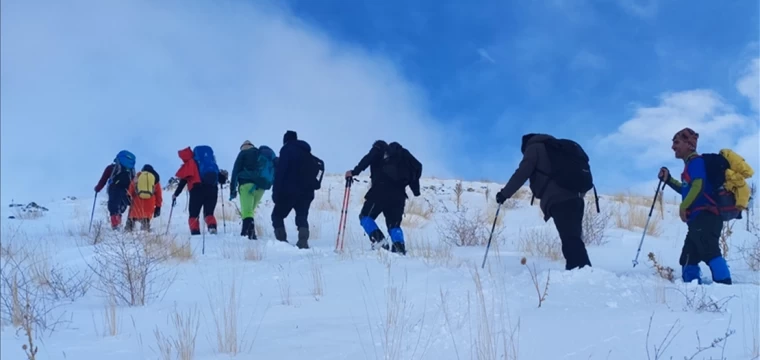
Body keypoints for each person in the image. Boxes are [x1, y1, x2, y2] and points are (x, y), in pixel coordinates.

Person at [495, 134, 593, 270]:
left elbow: (522, 173)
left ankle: (580, 271)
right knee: (573, 237)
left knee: (570, 238)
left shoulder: (534, 148)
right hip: (577, 198)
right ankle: (582, 270)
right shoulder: (556, 148)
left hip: (559, 199)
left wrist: (504, 194)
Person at [658, 127, 731, 285]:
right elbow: (687, 189)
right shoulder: (690, 165)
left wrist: (683, 206)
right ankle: (692, 288)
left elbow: (698, 185)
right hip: (699, 219)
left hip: (706, 216)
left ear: (689, 145)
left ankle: (726, 286)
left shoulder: (696, 162)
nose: (673, 147)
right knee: (688, 256)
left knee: (710, 251)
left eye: (676, 142)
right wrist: (669, 180)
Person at [345, 141, 422, 255]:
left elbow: (368, 158)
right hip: (399, 196)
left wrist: (354, 171)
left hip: (380, 192)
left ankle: (379, 241)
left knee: (365, 216)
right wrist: (416, 191)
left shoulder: (379, 148)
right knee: (394, 224)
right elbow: (415, 173)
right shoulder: (403, 158)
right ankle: (399, 248)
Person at [271, 130, 316, 249]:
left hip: (289, 191)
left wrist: (275, 193)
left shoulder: (286, 150)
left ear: (285, 140)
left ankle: (282, 243)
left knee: (277, 215)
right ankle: (303, 242)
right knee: (302, 216)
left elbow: (280, 173)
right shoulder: (307, 152)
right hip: (307, 192)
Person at [171, 146, 228, 235]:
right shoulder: (212, 164)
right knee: (209, 213)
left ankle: (195, 232)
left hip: (197, 191)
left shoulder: (191, 163)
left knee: (194, 213)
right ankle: (212, 227)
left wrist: (176, 194)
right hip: (212, 189)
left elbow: (183, 181)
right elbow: (222, 179)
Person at [229, 140, 277, 240]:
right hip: (260, 187)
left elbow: (235, 172)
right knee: (249, 211)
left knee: (247, 212)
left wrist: (233, 191)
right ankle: (245, 232)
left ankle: (249, 236)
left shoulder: (243, 153)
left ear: (243, 147)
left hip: (246, 185)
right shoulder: (259, 154)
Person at [94, 150, 136, 230]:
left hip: (114, 189)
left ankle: (116, 227)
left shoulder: (111, 168)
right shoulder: (131, 170)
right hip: (126, 191)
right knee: (120, 208)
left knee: (113, 209)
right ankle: (118, 225)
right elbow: (134, 181)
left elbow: (103, 180)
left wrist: (97, 188)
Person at [125, 164, 163, 232]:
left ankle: (127, 233)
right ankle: (144, 237)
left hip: (136, 203)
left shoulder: (138, 176)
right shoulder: (155, 179)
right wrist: (158, 207)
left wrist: (128, 197)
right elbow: (159, 195)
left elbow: (131, 188)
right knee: (145, 226)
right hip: (149, 205)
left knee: (130, 224)